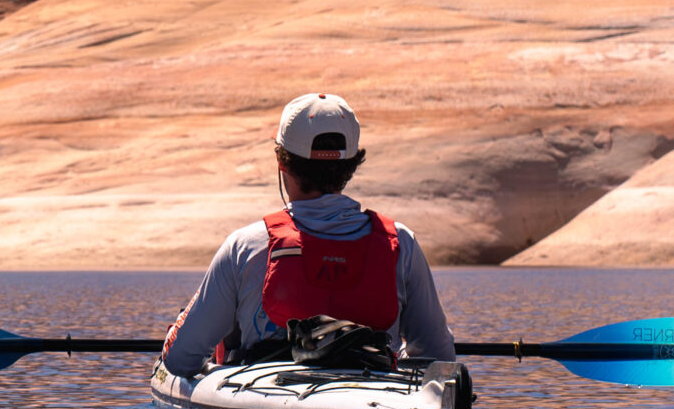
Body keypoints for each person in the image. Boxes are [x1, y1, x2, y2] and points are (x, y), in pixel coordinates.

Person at [160, 93, 456, 378]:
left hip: (263, 403)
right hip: (377, 401)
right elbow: (437, 355)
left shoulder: (246, 246)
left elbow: (180, 359)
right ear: (351, 166)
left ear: (282, 163)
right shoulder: (400, 242)